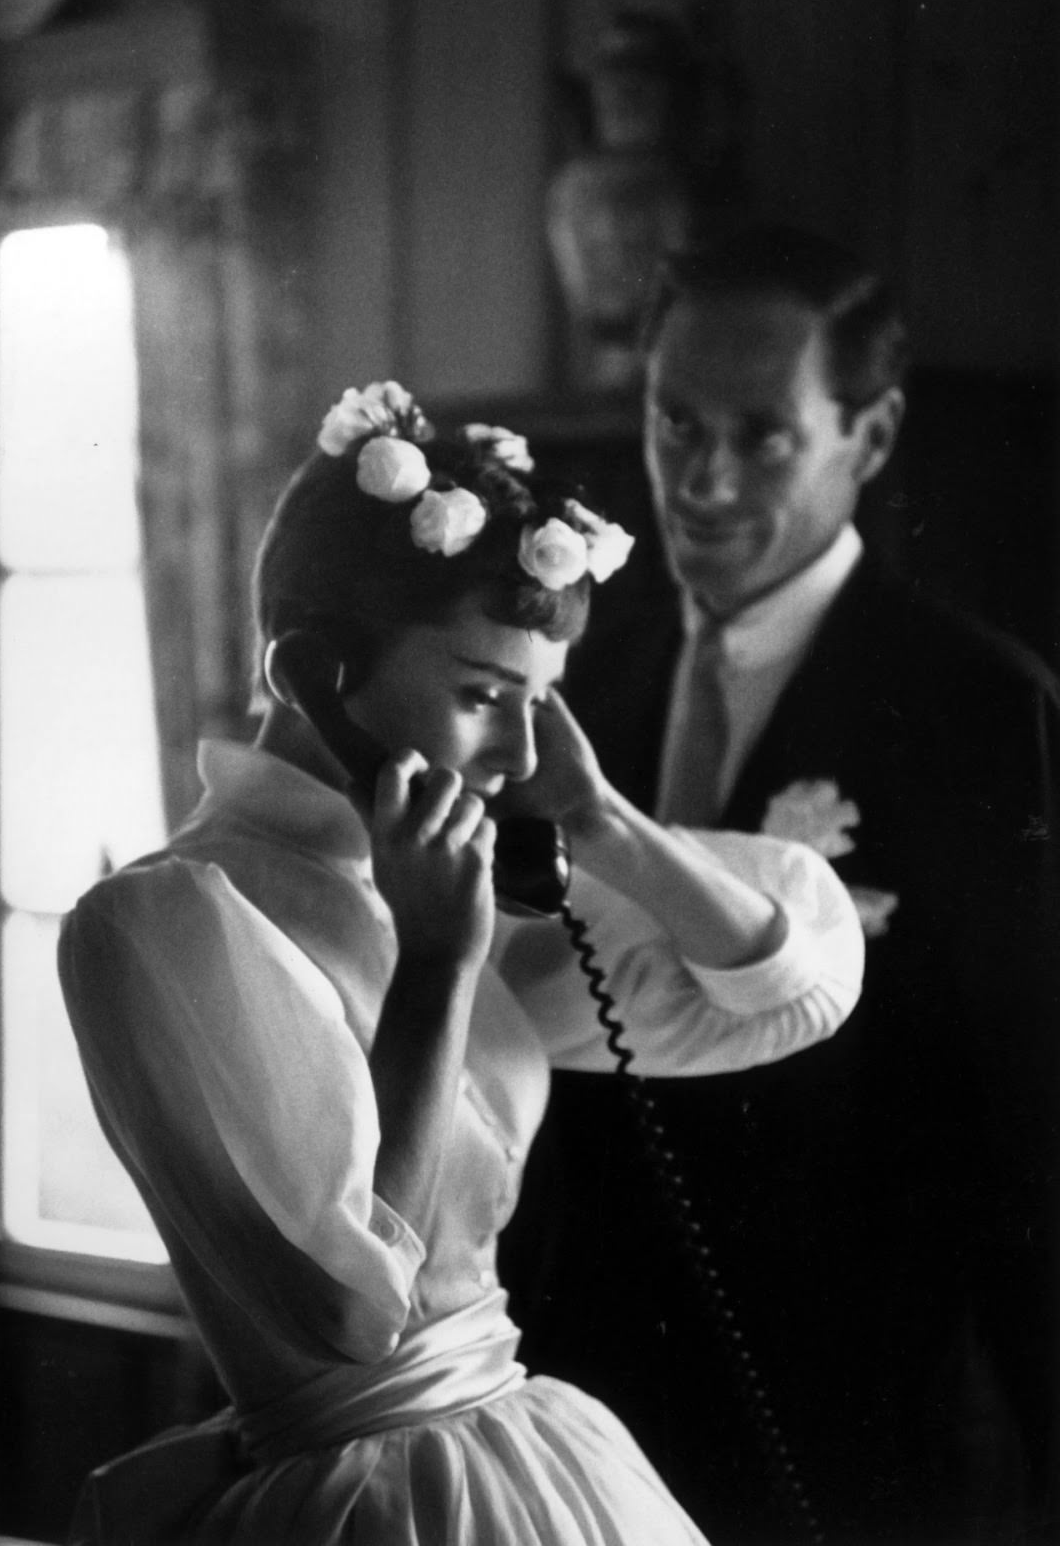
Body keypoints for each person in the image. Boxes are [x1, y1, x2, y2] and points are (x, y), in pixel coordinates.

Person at [57, 379, 865, 1546]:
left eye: (541, 702)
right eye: (483, 694)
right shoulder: (167, 921)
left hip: (536, 1456)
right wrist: (435, 966)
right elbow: (348, 1309)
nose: (521, 751)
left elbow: (791, 994)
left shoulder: (465, 884)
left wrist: (594, 819)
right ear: (313, 675)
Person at [501, 225, 1060, 1546]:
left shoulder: (983, 711)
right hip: (593, 1399)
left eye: (763, 438)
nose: (702, 480)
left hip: (868, 1423)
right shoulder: (574, 673)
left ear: (868, 439)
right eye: (675, 424)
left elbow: (1031, 1129)